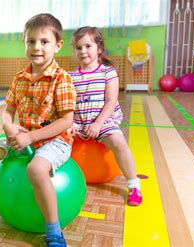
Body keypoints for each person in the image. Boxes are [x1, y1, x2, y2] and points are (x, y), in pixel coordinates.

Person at [0, 14, 75, 246]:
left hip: (55, 141)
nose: (36, 47)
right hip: (22, 138)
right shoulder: (20, 78)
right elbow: (8, 110)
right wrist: (8, 125)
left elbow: (66, 121)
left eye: (44, 41)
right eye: (30, 41)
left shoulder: (61, 79)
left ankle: (53, 228)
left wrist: (31, 136)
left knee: (36, 170)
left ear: (58, 45)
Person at [70, 26, 142, 206]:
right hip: (78, 122)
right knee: (53, 139)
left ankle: (134, 185)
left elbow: (111, 101)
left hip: (102, 121)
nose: (83, 51)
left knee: (118, 142)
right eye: (79, 47)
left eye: (88, 46)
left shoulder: (107, 73)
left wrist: (98, 124)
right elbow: (67, 104)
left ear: (99, 48)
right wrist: (70, 124)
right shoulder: (70, 76)